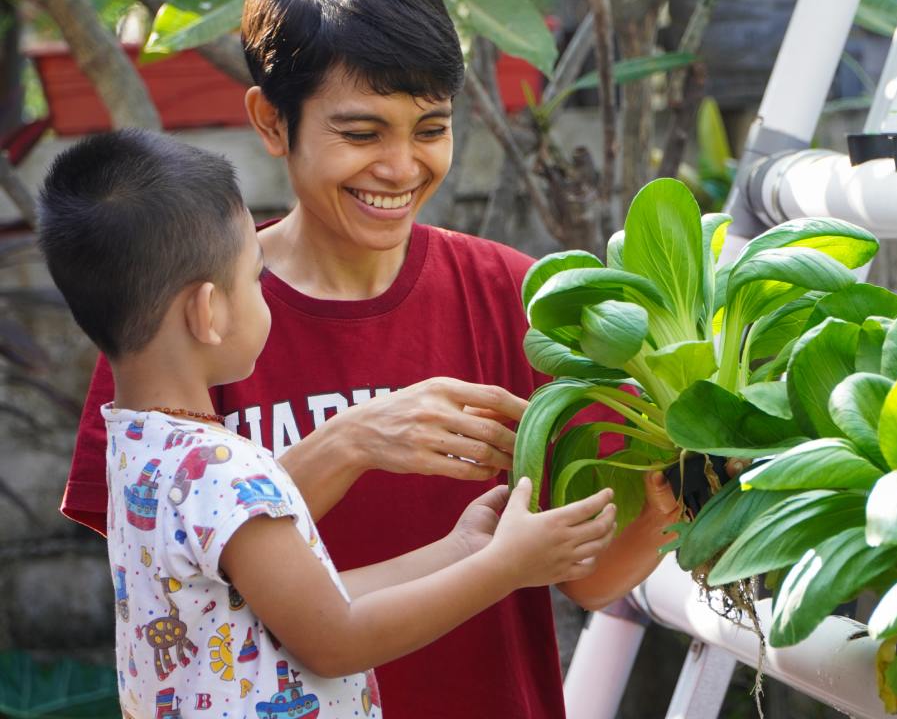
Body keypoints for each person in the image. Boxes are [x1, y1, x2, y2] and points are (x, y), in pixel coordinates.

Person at [59, 0, 681, 717]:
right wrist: (350, 442)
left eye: (431, 129)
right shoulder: (177, 324)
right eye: (360, 132)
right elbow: (179, 597)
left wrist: (661, 506)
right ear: (270, 121)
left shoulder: (515, 297)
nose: (399, 166)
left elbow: (584, 576)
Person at [38, 129, 619, 718]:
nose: (268, 295)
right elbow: (334, 636)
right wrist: (504, 568)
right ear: (207, 312)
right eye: (256, 277)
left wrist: (461, 549)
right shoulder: (222, 469)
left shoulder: (139, 452)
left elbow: (298, 604)